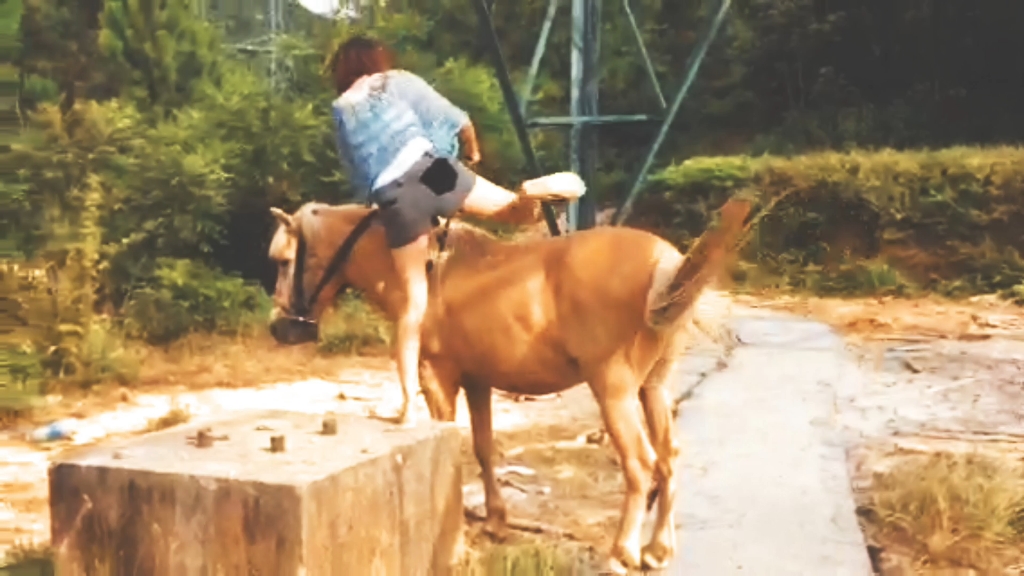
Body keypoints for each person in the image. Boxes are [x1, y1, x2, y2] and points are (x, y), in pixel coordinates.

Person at [328, 36, 585, 426]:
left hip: (397, 194)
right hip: (434, 168)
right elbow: (455, 117)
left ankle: (405, 401)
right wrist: (473, 150)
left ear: (343, 69)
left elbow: (358, 170)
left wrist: (384, 205)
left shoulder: (342, 108)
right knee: (512, 212)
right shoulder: (396, 80)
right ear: (375, 59)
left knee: (413, 303)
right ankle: (531, 194)